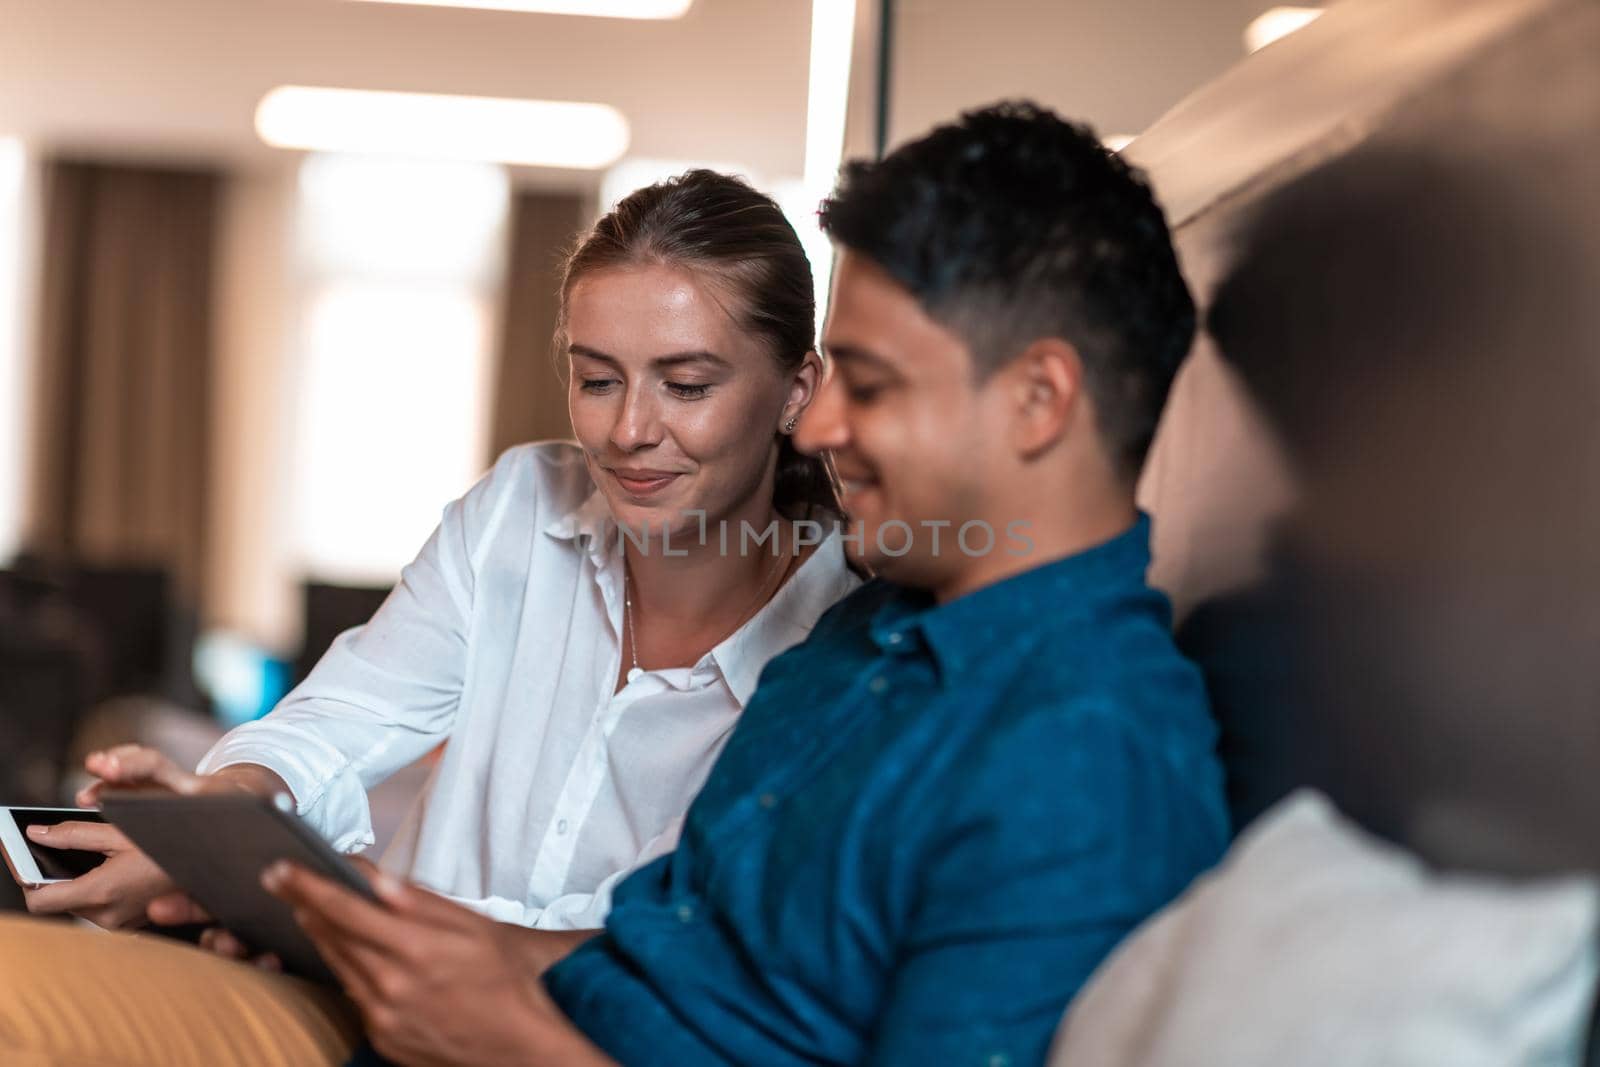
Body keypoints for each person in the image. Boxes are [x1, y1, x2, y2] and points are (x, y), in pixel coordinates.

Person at [264, 100, 1232, 1066]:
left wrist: (508, 1038)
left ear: (1037, 399)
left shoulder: (1088, 756)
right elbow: (670, 961)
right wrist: (386, 937)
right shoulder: (863, 637)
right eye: (598, 377)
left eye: (872, 383)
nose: (814, 430)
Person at [0, 170, 859, 1064]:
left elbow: (647, 943)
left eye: (685, 385)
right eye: (598, 379)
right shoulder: (523, 507)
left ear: (798, 389)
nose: (629, 430)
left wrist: (322, 900)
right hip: (365, 1007)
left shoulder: (843, 644)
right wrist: (217, 816)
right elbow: (343, 717)